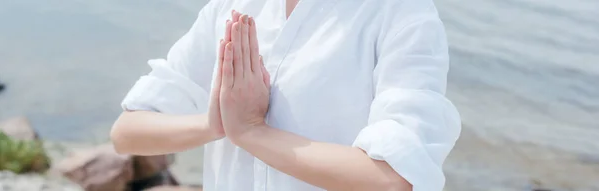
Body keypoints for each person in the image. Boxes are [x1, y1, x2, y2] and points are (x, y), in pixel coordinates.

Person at [110, 0, 461, 190]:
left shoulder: (400, 13)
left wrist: (250, 131)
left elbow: (394, 179)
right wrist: (214, 124)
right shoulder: (232, 8)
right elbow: (127, 133)